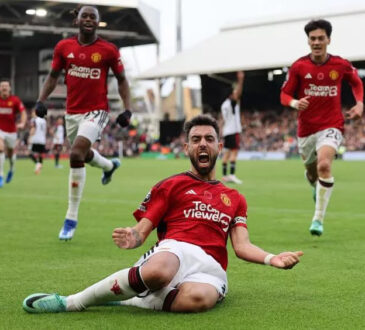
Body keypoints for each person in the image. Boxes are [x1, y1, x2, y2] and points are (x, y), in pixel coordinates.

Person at [23, 114, 303, 314]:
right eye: (196, 139)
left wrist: (271, 258)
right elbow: (142, 230)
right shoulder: (171, 185)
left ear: (220, 147)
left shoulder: (235, 198)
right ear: (187, 148)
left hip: (212, 267)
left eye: (209, 139)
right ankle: (73, 301)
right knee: (159, 271)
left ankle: (131, 300)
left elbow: (241, 246)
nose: (202, 144)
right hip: (175, 249)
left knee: (198, 300)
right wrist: (133, 237)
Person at [35, 5, 133, 241]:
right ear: (76, 21)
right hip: (72, 113)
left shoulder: (108, 50)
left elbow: (121, 80)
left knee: (76, 153)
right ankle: (109, 166)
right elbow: (52, 77)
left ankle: (71, 218)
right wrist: (41, 100)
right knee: (83, 154)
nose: (89, 19)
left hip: (97, 111)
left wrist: (127, 109)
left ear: (98, 23)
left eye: (93, 17)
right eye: (85, 16)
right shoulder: (64, 47)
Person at [280, 19, 363, 236]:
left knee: (324, 166)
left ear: (328, 39)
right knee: (311, 173)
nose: (316, 42)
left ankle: (318, 219)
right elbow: (284, 94)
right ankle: (316, 188)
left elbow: (356, 82)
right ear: (308, 40)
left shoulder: (340, 64)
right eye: (313, 38)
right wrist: (295, 103)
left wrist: (360, 103)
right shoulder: (299, 66)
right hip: (306, 130)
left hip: (332, 124)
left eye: (320, 38)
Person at [0, 79, 27, 187]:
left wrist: (23, 123)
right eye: (2, 86)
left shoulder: (15, 100)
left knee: (10, 155)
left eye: (6, 86)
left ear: (10, 88)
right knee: (0, 149)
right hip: (0, 131)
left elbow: (23, 112)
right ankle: (1, 176)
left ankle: (11, 168)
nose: (4, 88)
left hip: (11, 132)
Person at [221, 71, 244, 184]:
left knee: (226, 154)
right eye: (233, 93)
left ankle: (224, 176)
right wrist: (241, 80)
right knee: (234, 153)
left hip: (226, 131)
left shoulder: (224, 104)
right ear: (231, 95)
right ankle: (232, 175)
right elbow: (238, 93)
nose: (236, 94)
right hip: (233, 130)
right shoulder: (231, 103)